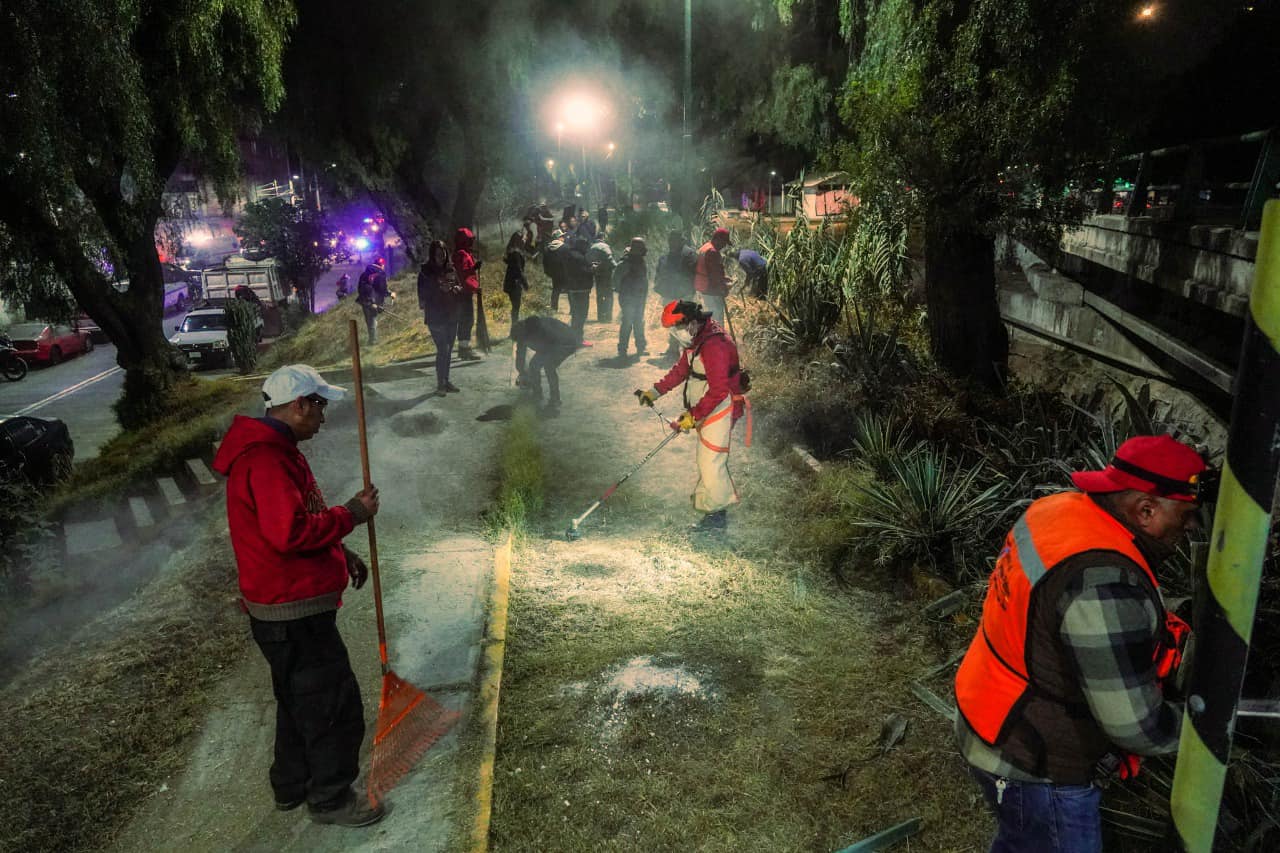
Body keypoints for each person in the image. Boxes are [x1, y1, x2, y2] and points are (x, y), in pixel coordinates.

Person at [954, 434, 1211, 852]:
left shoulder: (1057, 510)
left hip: (985, 709)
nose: (1190, 528)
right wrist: (1209, 727)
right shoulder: (1103, 583)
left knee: (1022, 840)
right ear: (1145, 511)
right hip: (1034, 762)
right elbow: (1137, 728)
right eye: (1185, 516)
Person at [211, 364, 384, 827]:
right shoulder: (265, 459)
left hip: (283, 604)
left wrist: (338, 548)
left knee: (296, 699)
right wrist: (350, 515)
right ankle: (329, 799)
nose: (324, 417)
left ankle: (290, 785)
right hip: (291, 608)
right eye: (320, 406)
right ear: (299, 405)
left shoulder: (274, 448)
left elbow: (295, 517)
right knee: (332, 703)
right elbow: (288, 532)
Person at [637, 300, 749, 532]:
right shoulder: (698, 338)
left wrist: (692, 415)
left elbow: (718, 391)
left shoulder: (714, 344)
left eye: (677, 328)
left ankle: (717, 520)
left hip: (720, 405)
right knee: (707, 460)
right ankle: (712, 511)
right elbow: (681, 370)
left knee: (711, 461)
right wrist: (655, 392)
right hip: (708, 406)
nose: (676, 334)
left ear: (691, 322)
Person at [418, 240, 464, 396]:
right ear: (433, 254)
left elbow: (459, 285)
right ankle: (440, 384)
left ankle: (446, 380)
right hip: (436, 317)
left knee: (449, 349)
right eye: (438, 253)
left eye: (443, 252)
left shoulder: (451, 268)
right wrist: (439, 289)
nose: (441, 256)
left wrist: (456, 288)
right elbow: (422, 297)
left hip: (451, 314)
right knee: (442, 349)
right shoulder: (426, 272)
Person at [512, 315, 581, 415]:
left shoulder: (543, 330)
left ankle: (555, 399)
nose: (522, 342)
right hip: (550, 343)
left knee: (549, 366)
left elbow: (550, 348)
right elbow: (520, 354)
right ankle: (537, 394)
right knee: (534, 365)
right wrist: (521, 371)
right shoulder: (522, 332)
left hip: (566, 343)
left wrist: (544, 358)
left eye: (522, 339)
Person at [654, 231, 698, 359]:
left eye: (674, 240)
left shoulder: (688, 254)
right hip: (671, 293)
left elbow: (691, 274)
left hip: (683, 294)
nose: (671, 242)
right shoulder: (669, 255)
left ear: (681, 240)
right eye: (670, 240)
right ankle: (674, 349)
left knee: (682, 323)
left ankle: (684, 351)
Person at [614, 237, 649, 357]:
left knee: (639, 321)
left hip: (639, 296)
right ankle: (622, 349)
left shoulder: (639, 261)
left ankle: (640, 347)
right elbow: (616, 279)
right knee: (628, 322)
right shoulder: (626, 262)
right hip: (628, 297)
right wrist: (623, 293)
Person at [453, 227, 483, 360]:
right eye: (469, 240)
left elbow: (464, 271)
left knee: (464, 320)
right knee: (467, 320)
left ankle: (462, 348)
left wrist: (474, 267)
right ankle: (465, 350)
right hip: (464, 293)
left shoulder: (459, 253)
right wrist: (474, 288)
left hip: (461, 292)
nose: (472, 243)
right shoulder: (462, 254)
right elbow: (463, 274)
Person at [560, 234, 595, 344]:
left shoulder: (570, 255)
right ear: (582, 246)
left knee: (576, 314)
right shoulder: (579, 257)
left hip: (572, 288)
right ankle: (578, 340)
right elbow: (582, 272)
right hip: (581, 289)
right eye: (586, 246)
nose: (587, 248)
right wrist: (592, 269)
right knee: (581, 314)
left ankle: (574, 338)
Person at [693, 227, 732, 322]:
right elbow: (715, 276)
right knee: (716, 317)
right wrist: (724, 288)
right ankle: (717, 336)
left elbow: (707, 270)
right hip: (711, 289)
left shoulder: (705, 247)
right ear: (718, 239)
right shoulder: (713, 252)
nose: (724, 246)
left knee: (709, 314)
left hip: (703, 286)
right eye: (724, 242)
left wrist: (723, 278)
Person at [355, 258, 388, 345]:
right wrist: (373, 302)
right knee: (372, 320)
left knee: (370, 321)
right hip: (372, 301)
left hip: (364, 300)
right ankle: (373, 341)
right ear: (382, 265)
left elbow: (361, 288)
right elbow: (380, 288)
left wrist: (389, 293)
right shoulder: (380, 274)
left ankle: (372, 339)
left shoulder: (364, 274)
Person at [502, 231, 530, 327]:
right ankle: (514, 328)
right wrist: (525, 283)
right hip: (515, 283)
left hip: (510, 282)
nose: (525, 239)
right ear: (519, 240)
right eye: (524, 238)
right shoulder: (516, 254)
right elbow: (519, 270)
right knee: (516, 307)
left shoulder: (511, 251)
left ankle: (514, 327)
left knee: (515, 306)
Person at [587, 234, 616, 323]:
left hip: (598, 275)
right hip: (607, 275)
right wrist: (615, 266)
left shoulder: (592, 248)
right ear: (603, 238)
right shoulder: (605, 247)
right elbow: (611, 261)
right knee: (609, 296)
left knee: (600, 296)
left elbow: (588, 260)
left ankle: (600, 317)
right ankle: (608, 317)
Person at [543, 228, 567, 313]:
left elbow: (545, 262)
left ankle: (554, 307)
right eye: (562, 236)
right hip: (564, 272)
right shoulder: (564, 247)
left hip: (554, 273)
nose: (563, 238)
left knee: (556, 289)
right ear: (559, 238)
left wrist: (548, 272)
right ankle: (573, 310)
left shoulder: (548, 248)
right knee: (569, 289)